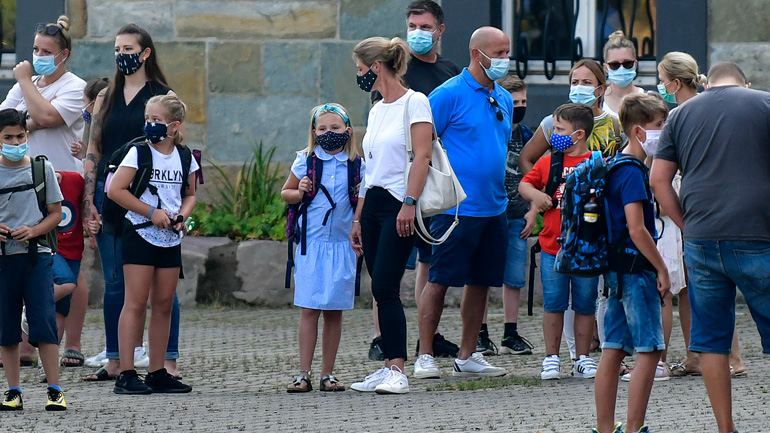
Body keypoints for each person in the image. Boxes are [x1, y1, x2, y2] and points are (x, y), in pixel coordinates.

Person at [651, 61, 770, 433]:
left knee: (712, 340)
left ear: (708, 84)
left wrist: (687, 225)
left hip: (701, 240)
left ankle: (726, 428)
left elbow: (658, 179)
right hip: (757, 235)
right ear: (744, 83)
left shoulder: (681, 114)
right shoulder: (764, 104)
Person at [83, 23, 182, 381]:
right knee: (116, 283)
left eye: (128, 48)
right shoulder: (107, 96)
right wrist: (87, 201)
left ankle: (166, 360)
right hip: (110, 198)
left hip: (151, 200)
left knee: (160, 287)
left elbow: (176, 150)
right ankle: (115, 360)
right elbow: (94, 147)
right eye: (117, 48)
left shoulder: (162, 95)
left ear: (145, 53)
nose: (121, 54)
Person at [413, 26, 511, 381]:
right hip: (456, 209)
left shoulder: (504, 97)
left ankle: (468, 355)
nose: (504, 60)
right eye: (498, 53)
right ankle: (425, 354)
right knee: (439, 280)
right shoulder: (447, 94)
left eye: (506, 52)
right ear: (476, 54)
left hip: (494, 206)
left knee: (482, 282)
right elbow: (422, 145)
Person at [367, 0, 462, 362]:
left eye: (424, 26)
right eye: (412, 25)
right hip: (391, 188)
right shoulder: (394, 79)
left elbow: (431, 144)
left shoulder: (448, 72)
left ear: (440, 30)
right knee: (385, 279)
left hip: (422, 187)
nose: (417, 32)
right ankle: (384, 339)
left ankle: (426, 334)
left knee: (427, 261)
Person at [519, 59, 620, 361]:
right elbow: (528, 172)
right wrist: (536, 200)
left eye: (586, 83)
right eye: (574, 81)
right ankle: (562, 355)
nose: (578, 88)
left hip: (590, 239)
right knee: (555, 301)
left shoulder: (610, 130)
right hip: (554, 241)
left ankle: (590, 356)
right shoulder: (552, 140)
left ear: (602, 88)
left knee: (589, 299)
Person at [348, 36, 432, 395]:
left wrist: (409, 203)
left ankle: (398, 367)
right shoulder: (377, 107)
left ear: (376, 67)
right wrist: (357, 218)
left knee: (386, 286)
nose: (359, 74)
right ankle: (387, 367)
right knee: (377, 289)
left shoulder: (416, 102)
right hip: (375, 205)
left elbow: (422, 157)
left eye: (360, 68)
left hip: (401, 203)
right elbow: (371, 168)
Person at [592, 92, 671, 433]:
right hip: (637, 270)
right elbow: (638, 230)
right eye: (659, 126)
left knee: (612, 349)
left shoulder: (614, 164)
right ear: (639, 131)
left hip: (615, 270)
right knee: (650, 351)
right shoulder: (633, 173)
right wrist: (662, 268)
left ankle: (605, 428)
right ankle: (635, 428)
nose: (664, 132)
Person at [109, 94, 197, 394]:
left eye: (157, 121)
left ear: (174, 126)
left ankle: (158, 371)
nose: (150, 125)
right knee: (135, 302)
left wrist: (182, 216)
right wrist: (150, 212)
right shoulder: (138, 153)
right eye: (148, 120)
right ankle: (126, 372)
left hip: (170, 237)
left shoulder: (185, 156)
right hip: (140, 232)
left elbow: (190, 194)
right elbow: (115, 190)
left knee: (163, 304)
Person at [282, 103, 361, 393]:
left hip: (341, 246)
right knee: (309, 309)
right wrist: (299, 189)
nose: (329, 133)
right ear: (314, 133)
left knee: (334, 311)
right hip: (310, 246)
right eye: (323, 129)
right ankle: (303, 372)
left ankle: (328, 373)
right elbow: (286, 193)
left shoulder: (356, 164)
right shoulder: (305, 161)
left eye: (335, 128)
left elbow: (361, 199)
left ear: (347, 130)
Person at [519, 103, 600, 380]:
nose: (554, 134)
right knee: (553, 303)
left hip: (586, 249)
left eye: (560, 129)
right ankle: (551, 357)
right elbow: (525, 184)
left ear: (578, 134)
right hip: (553, 247)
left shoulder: (596, 163)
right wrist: (536, 196)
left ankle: (582, 357)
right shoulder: (549, 162)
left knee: (585, 304)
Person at [0, 108, 67, 411]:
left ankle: (55, 389)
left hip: (37, 256)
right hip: (4, 260)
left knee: (43, 321)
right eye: (8, 138)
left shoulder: (41, 169)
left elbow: (56, 213)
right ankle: (13, 390)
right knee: (6, 326)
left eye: (20, 136)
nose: (15, 142)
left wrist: (34, 230)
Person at [477, 75, 535, 356]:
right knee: (484, 275)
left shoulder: (527, 135)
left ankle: (510, 331)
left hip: (517, 213)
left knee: (514, 276)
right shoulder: (490, 128)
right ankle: (480, 332)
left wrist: (533, 210)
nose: (520, 106)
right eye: (515, 102)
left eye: (524, 101)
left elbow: (536, 176)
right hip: (489, 211)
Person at [59, 77, 110, 368]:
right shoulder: (89, 128)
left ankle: (80, 344)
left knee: (75, 271)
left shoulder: (99, 126)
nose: (84, 110)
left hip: (80, 197)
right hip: (75, 194)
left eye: (85, 104)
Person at [0, 16, 85, 173]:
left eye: (46, 52)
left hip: (61, 176)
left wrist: (25, 81)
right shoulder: (25, 85)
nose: (39, 55)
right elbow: (2, 122)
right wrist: (34, 122)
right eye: (36, 49)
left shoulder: (75, 87)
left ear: (64, 54)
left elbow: (46, 117)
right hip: (23, 176)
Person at [602, 30, 645, 118]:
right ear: (606, 68)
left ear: (635, 65)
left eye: (627, 63)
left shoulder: (648, 100)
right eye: (614, 64)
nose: (621, 68)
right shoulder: (598, 102)